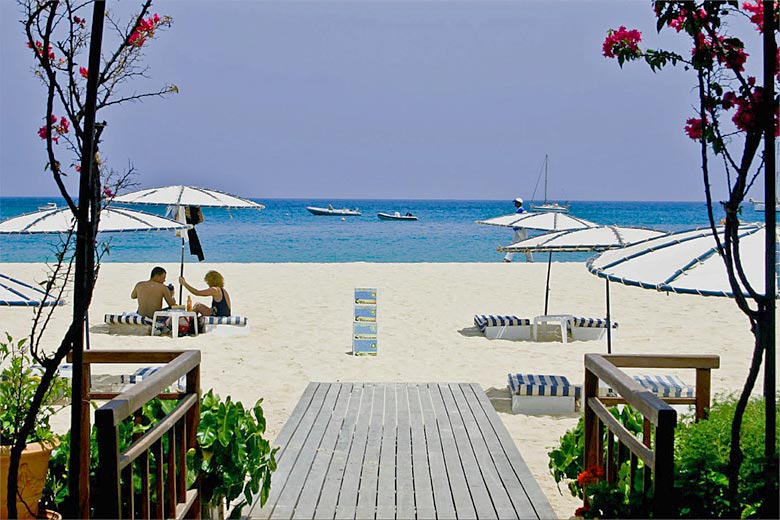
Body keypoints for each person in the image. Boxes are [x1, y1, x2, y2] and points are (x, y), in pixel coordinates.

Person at [503, 198, 534, 263]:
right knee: (514, 243)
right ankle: (508, 258)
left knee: (525, 243)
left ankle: (530, 259)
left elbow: (525, 216)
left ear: (519, 203)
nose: (515, 204)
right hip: (517, 229)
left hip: (521, 229)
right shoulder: (518, 210)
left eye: (516, 203)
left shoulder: (522, 210)